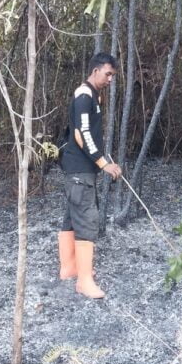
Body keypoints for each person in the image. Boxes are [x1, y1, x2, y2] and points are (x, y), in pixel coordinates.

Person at [58, 53, 122, 299]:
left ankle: (69, 268)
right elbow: (81, 134)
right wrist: (103, 162)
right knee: (87, 219)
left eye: (112, 76)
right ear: (95, 71)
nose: (109, 79)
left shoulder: (92, 95)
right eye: (107, 74)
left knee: (72, 217)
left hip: (79, 168)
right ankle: (84, 281)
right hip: (79, 168)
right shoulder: (84, 95)